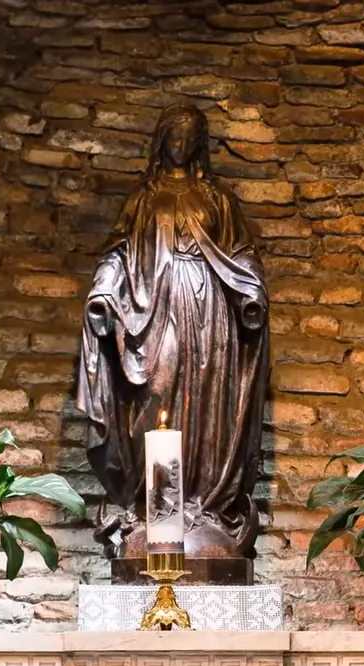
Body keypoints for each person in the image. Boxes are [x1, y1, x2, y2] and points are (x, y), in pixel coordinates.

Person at [78, 104, 270, 562]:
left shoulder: (218, 198)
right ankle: (153, 509)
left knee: (209, 407)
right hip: (155, 308)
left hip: (211, 312)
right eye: (174, 137)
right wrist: (104, 291)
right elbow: (119, 254)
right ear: (161, 140)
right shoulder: (144, 198)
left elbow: (241, 253)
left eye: (190, 138)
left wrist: (251, 292)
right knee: (155, 398)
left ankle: (203, 505)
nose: (181, 147)